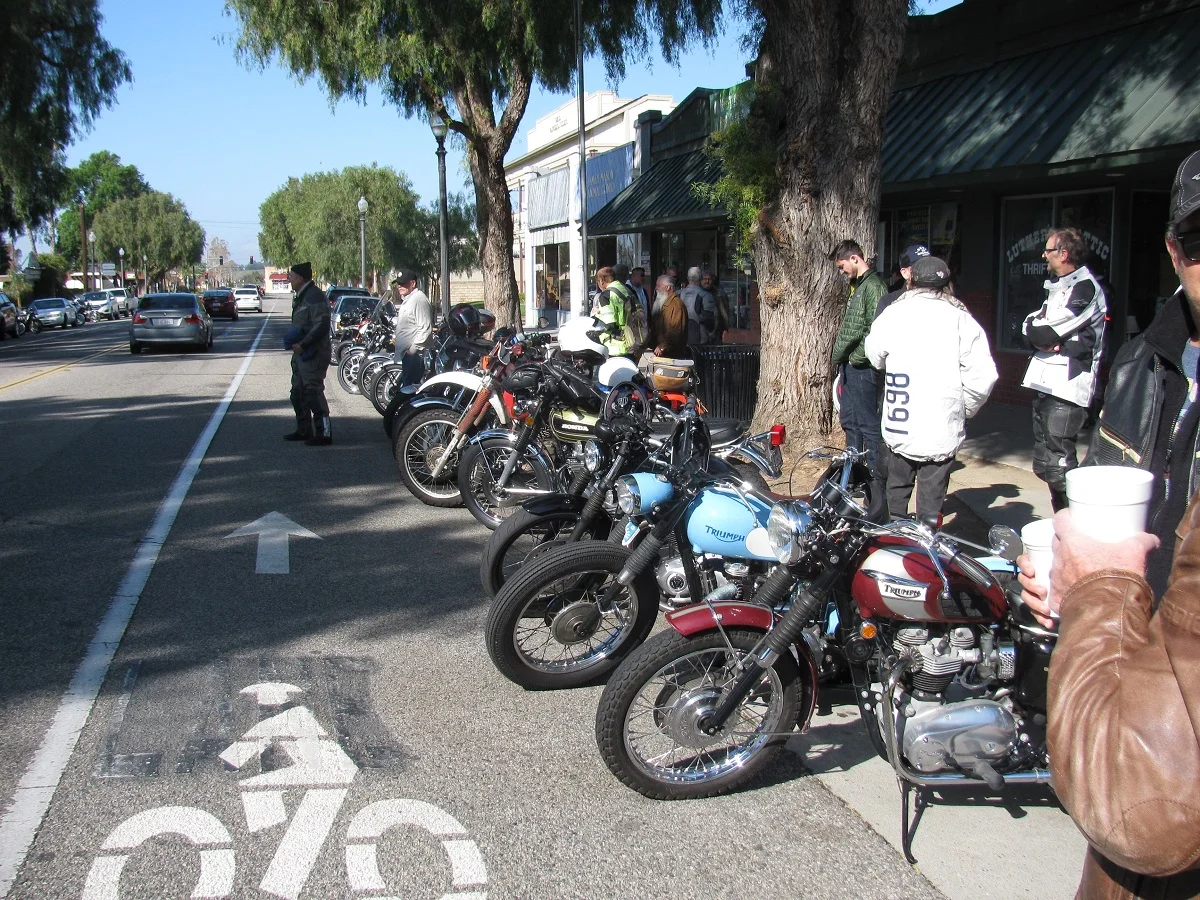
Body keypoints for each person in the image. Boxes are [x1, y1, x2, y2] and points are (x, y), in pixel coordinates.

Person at [1015, 149, 1200, 900]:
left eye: (1059, 248)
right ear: (1173, 248)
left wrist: (1099, 591)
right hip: (1138, 699)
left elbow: (1148, 816)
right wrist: (1079, 583)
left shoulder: (1090, 299)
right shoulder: (1146, 362)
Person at [864, 256, 997, 525]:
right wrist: (964, 409)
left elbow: (875, 356)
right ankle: (925, 546)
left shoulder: (893, 313)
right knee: (931, 500)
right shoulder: (961, 318)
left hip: (900, 421)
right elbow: (983, 376)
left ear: (911, 279)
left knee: (897, 491)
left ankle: (894, 537)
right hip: (941, 428)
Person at [1021, 226, 1108, 512]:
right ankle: (1063, 522)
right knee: (1043, 467)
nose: (1044, 255)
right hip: (1043, 381)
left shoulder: (1086, 287)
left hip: (1069, 386)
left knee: (1059, 468)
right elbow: (1030, 327)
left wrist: (1044, 334)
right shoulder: (1057, 286)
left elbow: (1047, 331)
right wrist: (1041, 333)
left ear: (1064, 253)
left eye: (1048, 250)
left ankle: (1077, 524)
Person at [830, 239, 887, 476]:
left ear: (855, 258)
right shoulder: (860, 286)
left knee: (868, 424)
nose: (842, 272)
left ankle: (874, 477)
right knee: (850, 422)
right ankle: (853, 474)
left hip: (862, 368)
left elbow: (875, 329)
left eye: (842, 266)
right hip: (850, 367)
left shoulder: (874, 286)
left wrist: (856, 358)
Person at [284, 262, 333, 445]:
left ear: (301, 278)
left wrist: (304, 344)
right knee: (297, 393)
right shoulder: (301, 295)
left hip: (314, 353)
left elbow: (322, 323)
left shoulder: (314, 296)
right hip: (301, 354)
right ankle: (304, 430)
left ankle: (324, 433)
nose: (289, 279)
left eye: (292, 276)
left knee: (313, 393)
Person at [392, 269, 433, 387]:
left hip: (415, 356)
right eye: (398, 284)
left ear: (413, 283)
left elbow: (425, 329)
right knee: (406, 389)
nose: (400, 286)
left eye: (403, 283)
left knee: (409, 391)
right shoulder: (409, 300)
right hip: (407, 355)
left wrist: (412, 351)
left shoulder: (419, 300)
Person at [593, 266, 643, 359]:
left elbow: (609, 324)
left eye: (598, 281)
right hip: (632, 341)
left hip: (616, 347)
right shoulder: (626, 290)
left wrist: (596, 314)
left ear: (602, 281)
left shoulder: (606, 295)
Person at [875, 243, 929, 322]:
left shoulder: (942, 298)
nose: (927, 271)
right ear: (905, 273)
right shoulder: (889, 302)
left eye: (929, 266)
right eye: (920, 267)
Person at [650, 275, 689, 359]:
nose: (656, 288)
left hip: (672, 355)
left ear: (668, 287)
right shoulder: (664, 303)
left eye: (658, 285)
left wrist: (662, 346)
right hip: (662, 353)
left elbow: (675, 331)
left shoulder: (676, 305)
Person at [679, 266, 716, 345]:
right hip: (700, 339)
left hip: (679, 337)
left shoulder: (677, 294)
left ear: (688, 278)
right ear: (700, 278)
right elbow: (709, 319)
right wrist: (711, 334)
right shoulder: (705, 295)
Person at [700, 272, 730, 343]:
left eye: (709, 279)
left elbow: (725, 312)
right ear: (700, 280)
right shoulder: (698, 293)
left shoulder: (719, 294)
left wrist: (726, 327)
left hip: (717, 329)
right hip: (702, 329)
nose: (707, 281)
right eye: (705, 279)